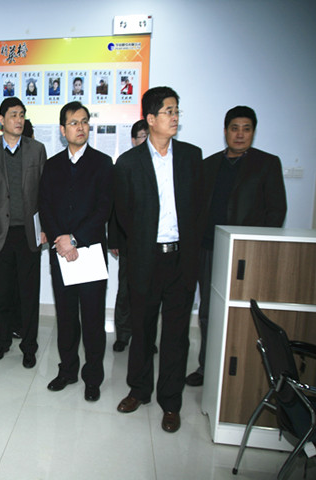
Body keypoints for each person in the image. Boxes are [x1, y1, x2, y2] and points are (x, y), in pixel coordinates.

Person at [115, 86, 202, 433]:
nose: (175, 117)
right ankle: (139, 390)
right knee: (142, 329)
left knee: (176, 335)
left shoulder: (191, 157)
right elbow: (123, 214)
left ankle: (171, 402)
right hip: (146, 259)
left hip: (181, 259)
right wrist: (140, 244)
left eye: (177, 111)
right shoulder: (129, 162)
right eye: (168, 111)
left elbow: (198, 209)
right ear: (151, 119)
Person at [185, 106, 287, 387]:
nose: (240, 134)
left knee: (242, 313)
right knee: (208, 312)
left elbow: (276, 211)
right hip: (208, 249)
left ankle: (238, 373)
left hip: (245, 254)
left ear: (253, 132)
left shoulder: (267, 164)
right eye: (234, 128)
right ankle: (207, 367)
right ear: (225, 131)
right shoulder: (208, 164)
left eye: (246, 129)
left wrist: (259, 248)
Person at [39, 101, 113, 402]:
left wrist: (75, 239)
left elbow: (104, 209)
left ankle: (92, 377)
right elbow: (45, 205)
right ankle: (68, 370)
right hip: (61, 253)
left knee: (93, 319)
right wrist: (61, 241)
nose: (80, 127)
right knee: (67, 317)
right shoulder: (52, 165)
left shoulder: (102, 163)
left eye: (84, 121)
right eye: (73, 122)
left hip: (90, 251)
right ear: (62, 129)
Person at [0, 97, 47, 368]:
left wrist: (45, 229)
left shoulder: (36, 150)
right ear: (1, 120)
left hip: (28, 234)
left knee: (29, 294)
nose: (19, 120)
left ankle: (29, 346)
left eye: (22, 115)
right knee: (2, 292)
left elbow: (45, 194)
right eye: (13, 115)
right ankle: (2, 341)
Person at [109, 119, 148, 352]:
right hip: (128, 240)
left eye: (148, 135)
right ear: (133, 140)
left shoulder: (161, 164)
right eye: (142, 136)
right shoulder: (124, 164)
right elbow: (115, 206)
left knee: (149, 293)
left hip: (153, 243)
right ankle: (123, 335)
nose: (146, 140)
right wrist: (114, 239)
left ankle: (145, 337)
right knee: (125, 290)